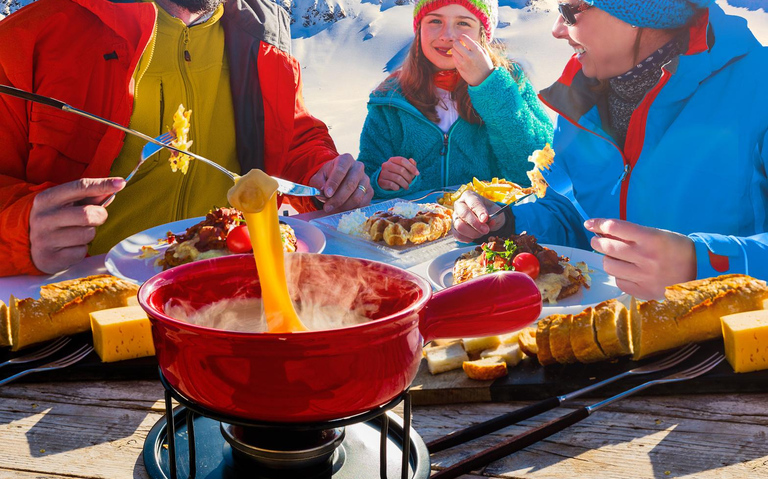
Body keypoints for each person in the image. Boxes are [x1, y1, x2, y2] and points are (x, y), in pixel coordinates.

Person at [0, 0, 373, 277]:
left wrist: (323, 174)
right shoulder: (31, 38)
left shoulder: (259, 33)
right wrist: (20, 230)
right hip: (83, 307)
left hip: (234, 293)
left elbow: (290, 135)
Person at [452, 0, 768, 300]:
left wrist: (702, 265)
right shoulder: (581, 96)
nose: (557, 29)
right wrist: (507, 223)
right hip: (606, 337)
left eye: (570, 10)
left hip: (725, 346)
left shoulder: (758, 85)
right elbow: (573, 214)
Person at [357, 0, 553, 199]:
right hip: (416, 226)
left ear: (482, 34)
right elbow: (364, 182)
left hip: (492, 226)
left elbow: (540, 172)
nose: (447, 35)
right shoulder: (390, 99)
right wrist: (382, 182)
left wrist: (489, 87)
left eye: (463, 23)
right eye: (434, 21)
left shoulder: (511, 85)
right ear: (419, 29)